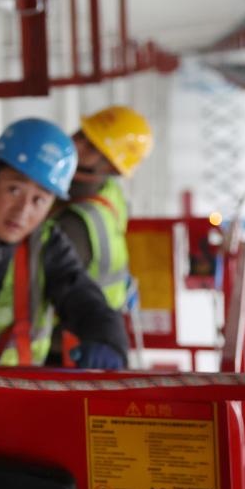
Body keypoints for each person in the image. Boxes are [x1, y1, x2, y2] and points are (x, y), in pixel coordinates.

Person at [0, 118, 129, 369]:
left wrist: (107, 340)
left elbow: (81, 296)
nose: (22, 211)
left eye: (39, 200)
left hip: (9, 397)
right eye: (14, 189)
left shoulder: (47, 245)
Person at [45, 106, 153, 366]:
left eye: (91, 148)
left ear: (111, 168)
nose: (76, 144)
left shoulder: (74, 225)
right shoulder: (109, 192)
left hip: (60, 338)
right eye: (82, 134)